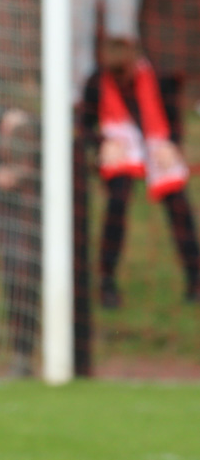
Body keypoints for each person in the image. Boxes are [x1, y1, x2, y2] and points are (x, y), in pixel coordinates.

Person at [79, 38, 200, 308]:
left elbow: (173, 117)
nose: (121, 79)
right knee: (117, 203)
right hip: (121, 149)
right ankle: (107, 281)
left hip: (157, 145)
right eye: (116, 74)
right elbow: (84, 124)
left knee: (179, 207)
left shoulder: (157, 77)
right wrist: (102, 144)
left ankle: (195, 277)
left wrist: (173, 144)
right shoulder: (97, 81)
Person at [0, 108, 42, 377]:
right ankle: (22, 355)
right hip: (8, 216)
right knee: (18, 279)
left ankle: (77, 360)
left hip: (40, 213)